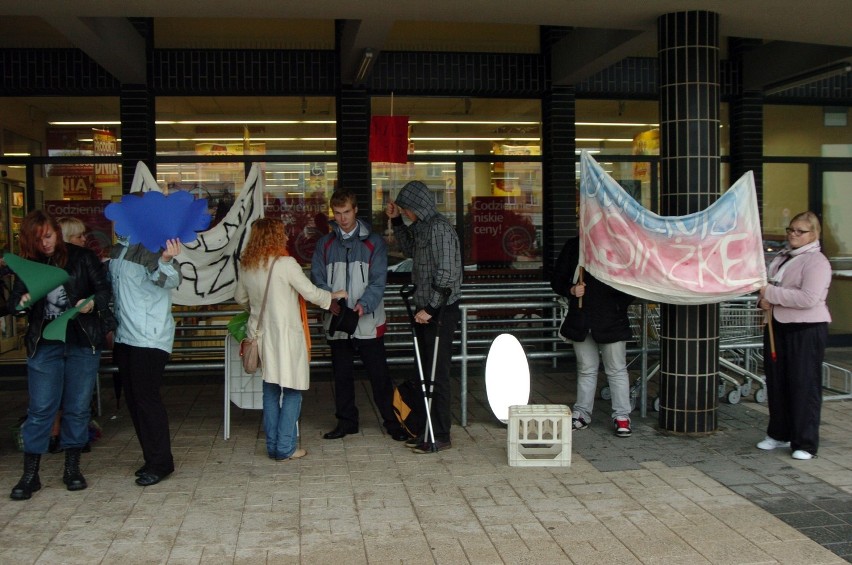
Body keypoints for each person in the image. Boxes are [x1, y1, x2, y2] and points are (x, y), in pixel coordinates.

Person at [8, 210, 115, 500]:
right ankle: (31, 475)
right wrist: (23, 303)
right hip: (45, 343)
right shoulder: (30, 264)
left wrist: (91, 305)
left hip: (82, 339)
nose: (44, 243)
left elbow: (105, 291)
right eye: (37, 239)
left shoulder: (82, 258)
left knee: (78, 407)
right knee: (41, 408)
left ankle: (72, 469)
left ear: (56, 231)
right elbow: (13, 304)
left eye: (48, 236)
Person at [235, 218, 346, 461]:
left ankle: (273, 445)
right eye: (282, 234)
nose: (286, 237)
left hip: (260, 335)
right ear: (274, 237)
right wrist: (333, 297)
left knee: (271, 390)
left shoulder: (248, 265)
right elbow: (310, 293)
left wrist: (256, 311)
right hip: (286, 336)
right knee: (293, 390)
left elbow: (240, 298)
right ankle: (285, 447)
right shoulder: (286, 264)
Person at [311, 189, 409, 442]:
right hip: (338, 319)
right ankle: (346, 422)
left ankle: (393, 422)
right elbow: (317, 279)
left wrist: (363, 305)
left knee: (380, 377)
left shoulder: (374, 242)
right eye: (338, 213)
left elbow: (378, 281)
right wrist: (329, 302)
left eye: (346, 212)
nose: (342, 219)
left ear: (355, 211)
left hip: (368, 321)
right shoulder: (325, 244)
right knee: (342, 376)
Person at [386, 180, 462, 454]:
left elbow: (447, 273)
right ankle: (426, 427)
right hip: (425, 310)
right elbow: (407, 248)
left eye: (407, 208)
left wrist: (431, 308)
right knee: (424, 373)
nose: (405, 212)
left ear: (419, 206)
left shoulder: (440, 228)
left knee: (437, 375)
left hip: (438, 311)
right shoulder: (423, 227)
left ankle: (440, 433)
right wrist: (396, 221)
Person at [757, 211, 832, 461]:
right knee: (777, 382)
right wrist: (763, 300)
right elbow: (770, 290)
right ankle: (779, 433)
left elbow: (808, 298)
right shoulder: (781, 256)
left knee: (804, 385)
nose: (794, 234)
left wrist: (770, 294)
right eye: (791, 229)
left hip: (806, 329)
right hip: (777, 325)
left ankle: (805, 442)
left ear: (814, 234)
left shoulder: (817, 261)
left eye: (800, 231)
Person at [109, 233, 182, 486]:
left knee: (147, 400)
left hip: (149, 337)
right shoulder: (118, 249)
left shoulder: (153, 245)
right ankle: (152, 458)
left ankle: (161, 462)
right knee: (134, 401)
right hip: (125, 336)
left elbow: (170, 280)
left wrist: (165, 259)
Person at [551, 236, 635, 437]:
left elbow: (631, 282)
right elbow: (557, 279)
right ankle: (582, 413)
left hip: (611, 319)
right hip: (582, 319)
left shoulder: (617, 245)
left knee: (616, 369)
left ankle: (622, 416)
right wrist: (571, 290)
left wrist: (616, 305)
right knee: (587, 368)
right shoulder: (574, 246)